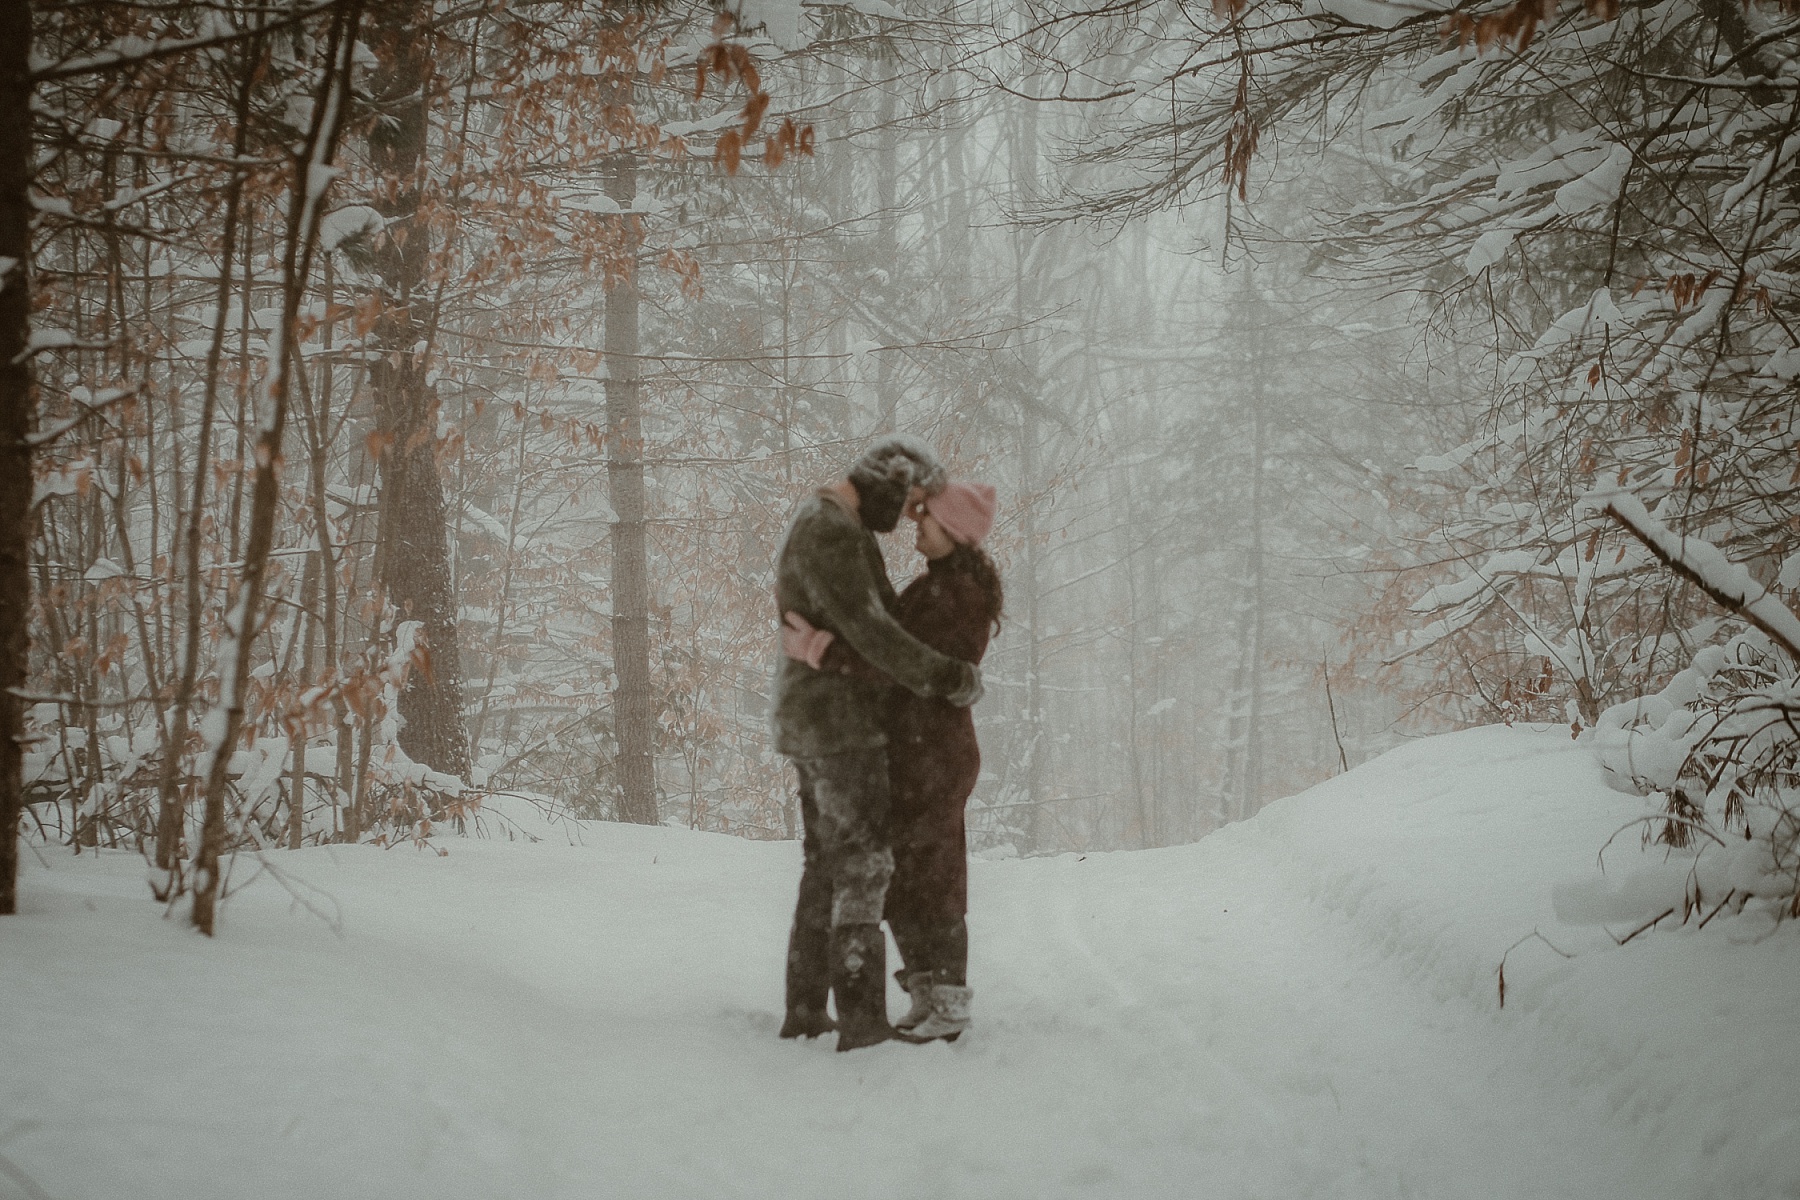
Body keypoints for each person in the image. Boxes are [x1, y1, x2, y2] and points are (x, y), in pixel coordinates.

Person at [770, 436, 984, 1052]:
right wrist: (950, 678)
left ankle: (807, 1010)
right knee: (863, 866)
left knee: (827, 870)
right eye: (912, 500)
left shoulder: (829, 521)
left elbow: (875, 623)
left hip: (819, 721)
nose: (910, 517)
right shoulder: (834, 531)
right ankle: (861, 1023)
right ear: (889, 483)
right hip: (839, 725)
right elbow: (875, 636)